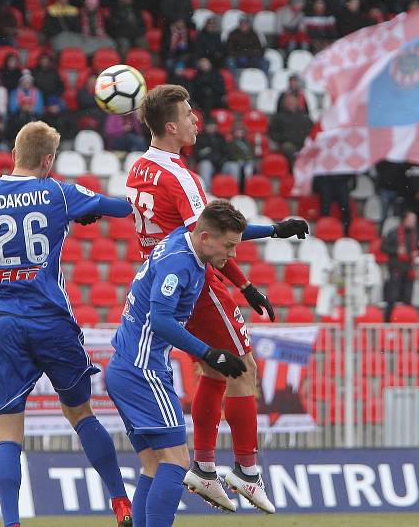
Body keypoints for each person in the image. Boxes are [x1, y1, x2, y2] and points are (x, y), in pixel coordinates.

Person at [0, 121, 135, 527]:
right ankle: (120, 501)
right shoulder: (58, 193)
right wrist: (103, 210)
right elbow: (116, 207)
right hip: (52, 321)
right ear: (48, 160)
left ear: (14, 154)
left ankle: (11, 523)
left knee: (7, 431)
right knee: (81, 414)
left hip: (6, 325)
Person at [127, 85, 308, 513]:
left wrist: (246, 284)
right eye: (189, 114)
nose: (196, 120)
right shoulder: (179, 176)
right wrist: (247, 278)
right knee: (243, 370)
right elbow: (209, 238)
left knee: (212, 371)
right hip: (195, 282)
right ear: (171, 126)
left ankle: (205, 468)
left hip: (161, 276)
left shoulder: (138, 170)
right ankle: (246, 472)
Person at [106, 201, 249, 527]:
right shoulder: (179, 264)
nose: (233, 255)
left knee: (155, 465)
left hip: (125, 368)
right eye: (228, 246)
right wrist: (210, 353)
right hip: (143, 370)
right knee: (177, 461)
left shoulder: (183, 241)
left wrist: (273, 230)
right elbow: (160, 321)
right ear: (206, 238)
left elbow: (216, 230)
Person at [382, 211, 419, 321]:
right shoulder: (394, 233)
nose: (413, 222)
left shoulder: (415, 234)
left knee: (407, 298)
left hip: (409, 269)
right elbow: (383, 247)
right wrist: (396, 250)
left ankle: (405, 322)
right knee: (392, 298)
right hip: (396, 268)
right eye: (411, 219)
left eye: (414, 220)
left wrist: (417, 252)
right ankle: (388, 322)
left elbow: (418, 248)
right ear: (405, 220)